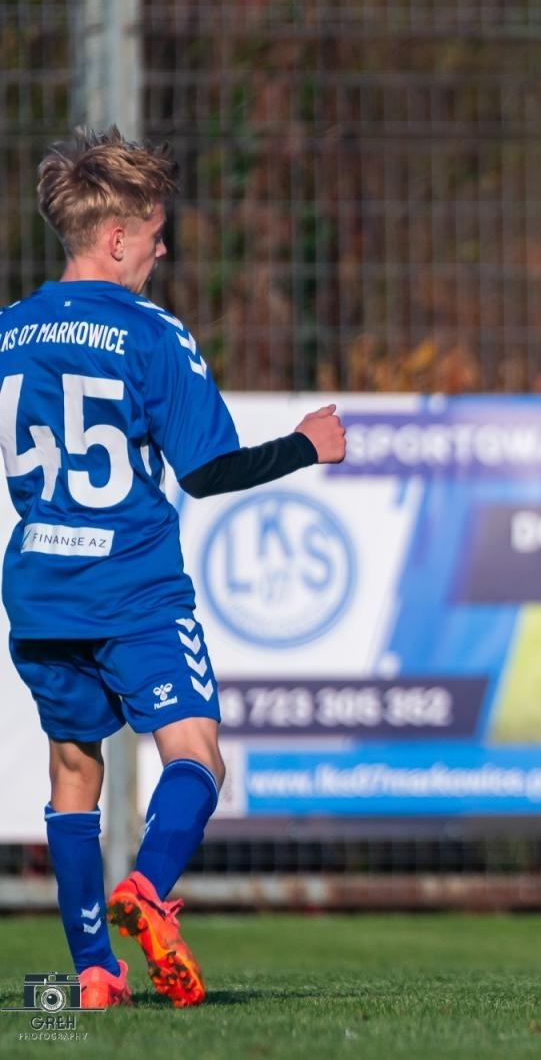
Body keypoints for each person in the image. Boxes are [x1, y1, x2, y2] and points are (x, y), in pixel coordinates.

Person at [3, 126, 346, 1008]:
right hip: (137, 586)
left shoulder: (8, 333)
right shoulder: (151, 333)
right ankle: (149, 886)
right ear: (115, 238)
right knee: (197, 754)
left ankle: (92, 974)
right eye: (155, 231)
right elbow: (206, 470)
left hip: (40, 591)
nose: (164, 247)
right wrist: (305, 447)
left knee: (73, 774)